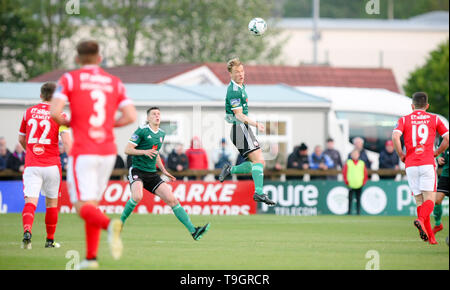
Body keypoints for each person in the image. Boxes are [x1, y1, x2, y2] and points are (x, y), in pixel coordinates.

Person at [50, 40, 137, 269]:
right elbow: (130, 116)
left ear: (77, 59)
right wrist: (110, 125)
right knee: (92, 204)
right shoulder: (114, 82)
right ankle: (91, 259)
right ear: (100, 58)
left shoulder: (69, 79)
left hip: (84, 150)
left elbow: (55, 112)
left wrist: (72, 122)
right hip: (107, 151)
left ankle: (110, 226)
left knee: (81, 207)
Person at [121, 107, 210, 241]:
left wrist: (163, 170)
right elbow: (127, 149)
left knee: (172, 200)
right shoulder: (141, 131)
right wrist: (143, 152)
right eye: (154, 114)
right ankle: (119, 224)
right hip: (137, 170)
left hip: (152, 173)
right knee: (137, 196)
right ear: (148, 118)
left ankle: (194, 231)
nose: (157, 116)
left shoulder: (161, 134)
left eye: (158, 114)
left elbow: (156, 154)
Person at [18, 82, 72, 249]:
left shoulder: (28, 113)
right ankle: (50, 240)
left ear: (41, 95)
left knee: (31, 202)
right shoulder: (60, 115)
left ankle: (27, 231)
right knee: (51, 204)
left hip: (32, 164)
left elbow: (21, 139)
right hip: (52, 165)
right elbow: (67, 142)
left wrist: (33, 152)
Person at [392, 92, 449, 245]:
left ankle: (431, 237)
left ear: (412, 106)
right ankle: (420, 220)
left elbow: (395, 137)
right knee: (429, 200)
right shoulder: (434, 118)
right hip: (427, 163)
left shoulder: (404, 119)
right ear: (427, 106)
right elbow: (447, 138)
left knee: (419, 201)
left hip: (410, 164)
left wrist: (401, 154)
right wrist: (437, 152)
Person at [218, 57, 275, 206]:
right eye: (237, 72)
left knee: (258, 162)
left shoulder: (241, 86)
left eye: (242, 71)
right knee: (258, 161)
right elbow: (239, 115)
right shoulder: (234, 91)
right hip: (240, 128)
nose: (241, 74)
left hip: (242, 128)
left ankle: (230, 169)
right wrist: (256, 124)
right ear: (230, 74)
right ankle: (259, 192)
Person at [343, 149, 368, 215]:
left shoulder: (362, 163)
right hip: (350, 184)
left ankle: (358, 212)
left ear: (358, 155)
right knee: (350, 199)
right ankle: (349, 212)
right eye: (353, 154)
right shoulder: (348, 163)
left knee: (358, 199)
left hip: (359, 184)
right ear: (351, 155)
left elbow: (365, 173)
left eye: (356, 154)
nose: (355, 155)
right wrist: (346, 181)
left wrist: (364, 182)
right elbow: (345, 173)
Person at [432, 140, 449, 235]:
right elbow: (438, 151)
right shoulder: (445, 137)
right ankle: (438, 224)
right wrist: (438, 158)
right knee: (437, 200)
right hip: (446, 174)